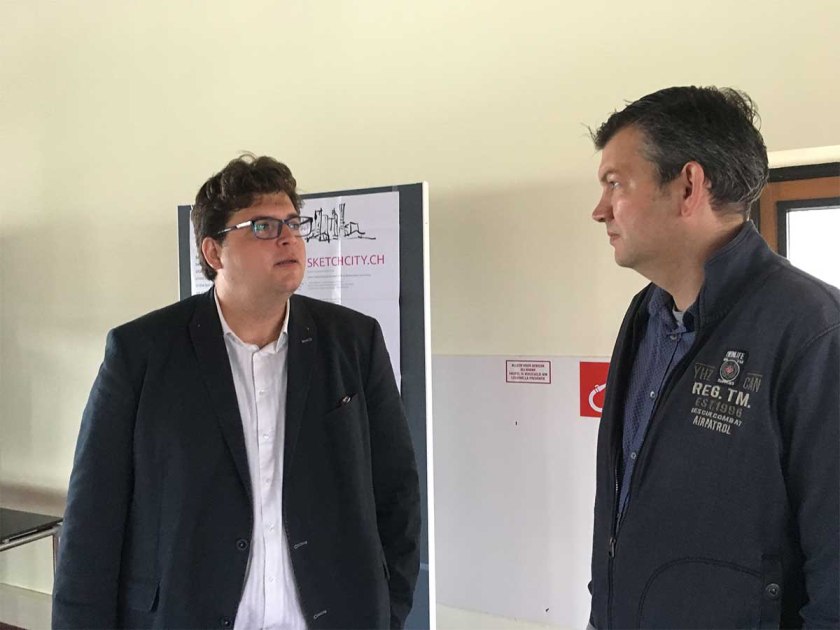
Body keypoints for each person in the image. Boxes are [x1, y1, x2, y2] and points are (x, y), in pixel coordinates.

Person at [53, 155, 421, 629]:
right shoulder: (141, 353)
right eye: (263, 226)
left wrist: (388, 612)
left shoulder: (354, 341)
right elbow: (93, 517)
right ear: (213, 252)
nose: (288, 238)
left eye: (294, 223)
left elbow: (396, 491)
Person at [587, 86, 839, 628]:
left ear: (687, 186)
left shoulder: (813, 330)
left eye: (615, 183)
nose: (599, 210)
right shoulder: (646, 315)